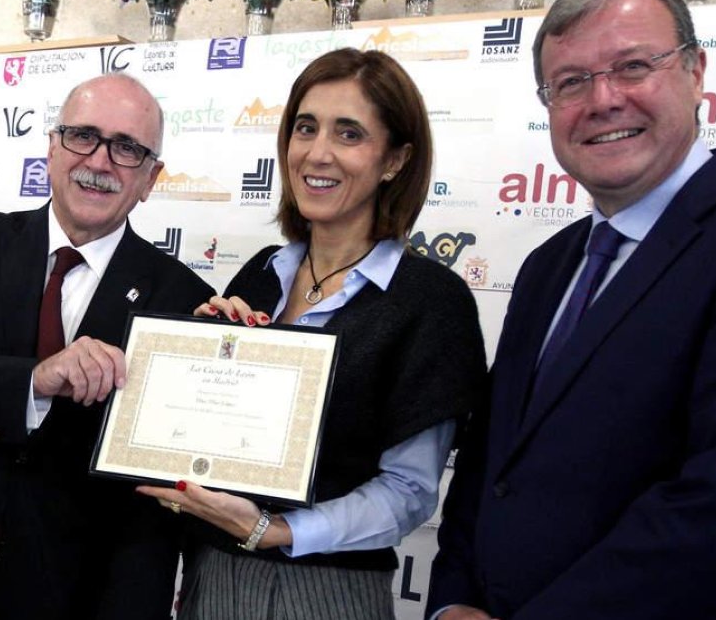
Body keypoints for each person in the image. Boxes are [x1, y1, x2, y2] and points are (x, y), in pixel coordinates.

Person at [427, 0, 716, 620]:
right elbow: (489, 466)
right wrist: (451, 598)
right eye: (570, 83)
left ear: (696, 71)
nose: (603, 99)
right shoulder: (545, 267)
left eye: (633, 66)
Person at [138, 48, 488, 619]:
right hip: (213, 577)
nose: (317, 153)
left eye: (349, 134)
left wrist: (276, 531)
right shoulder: (260, 272)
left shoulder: (431, 303)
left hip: (329, 592)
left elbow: (408, 493)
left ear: (395, 160)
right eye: (306, 127)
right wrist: (198, 357)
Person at [0, 73, 214, 620]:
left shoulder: (184, 300)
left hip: (77, 588)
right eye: (82, 135)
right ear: (51, 145)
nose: (100, 160)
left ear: (151, 178)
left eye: (127, 148)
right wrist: (33, 381)